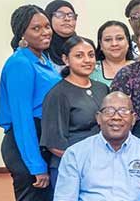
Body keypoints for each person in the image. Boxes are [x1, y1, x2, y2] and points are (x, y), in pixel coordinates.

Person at [0, 5, 61, 201]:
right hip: (28, 143)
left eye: (46, 26)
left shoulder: (43, 60)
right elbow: (22, 118)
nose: (45, 32)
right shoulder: (19, 64)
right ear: (21, 33)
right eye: (37, 28)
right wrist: (36, 165)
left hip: (42, 139)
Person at [41, 35, 109, 186]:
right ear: (66, 60)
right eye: (79, 56)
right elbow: (53, 144)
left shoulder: (102, 88)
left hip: (103, 165)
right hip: (70, 167)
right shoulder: (57, 94)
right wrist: (84, 162)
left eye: (91, 55)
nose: (87, 60)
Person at [91, 20, 133, 86]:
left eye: (119, 38)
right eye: (108, 40)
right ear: (101, 44)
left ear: (127, 42)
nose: (114, 44)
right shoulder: (90, 69)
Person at [45, 0, 78, 72]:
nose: (67, 19)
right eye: (60, 15)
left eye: (71, 15)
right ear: (48, 19)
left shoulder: (82, 47)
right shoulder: (41, 49)